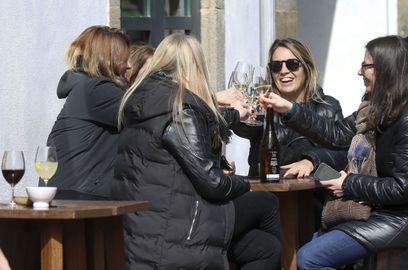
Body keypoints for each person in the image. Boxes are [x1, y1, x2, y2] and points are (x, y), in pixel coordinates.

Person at [260, 35, 408, 269]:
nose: (359, 71)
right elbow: (336, 134)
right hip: (383, 213)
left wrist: (348, 183)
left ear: (385, 69)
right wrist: (289, 109)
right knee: (303, 248)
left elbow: (403, 189)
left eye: (366, 65)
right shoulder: (374, 110)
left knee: (310, 258)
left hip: (407, 218)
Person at [111, 33, 282, 270]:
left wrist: (232, 115)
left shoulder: (139, 100)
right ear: (196, 66)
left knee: (267, 247)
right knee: (268, 201)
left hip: (144, 228)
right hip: (179, 229)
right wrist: (245, 184)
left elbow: (203, 125)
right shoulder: (181, 108)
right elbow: (213, 184)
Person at [232, 38, 347, 178]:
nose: (284, 71)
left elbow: (342, 152)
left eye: (292, 64)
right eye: (276, 66)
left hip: (312, 193)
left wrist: (311, 161)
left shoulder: (328, 106)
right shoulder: (263, 108)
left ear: (307, 68)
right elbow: (245, 128)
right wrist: (235, 112)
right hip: (269, 192)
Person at [45, 25, 130, 199]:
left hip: (70, 192)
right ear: (108, 59)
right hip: (78, 197)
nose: (128, 66)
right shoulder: (97, 90)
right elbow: (145, 111)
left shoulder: (87, 88)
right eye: (124, 59)